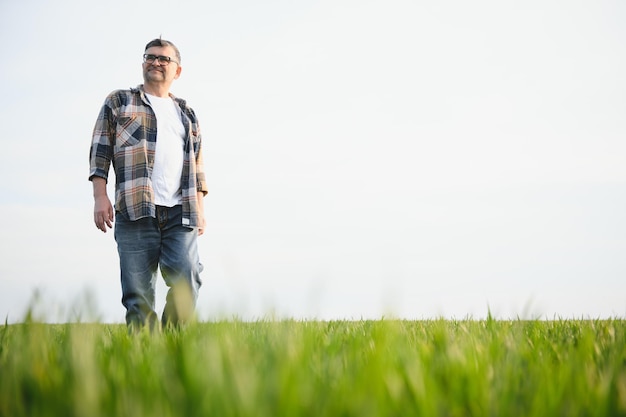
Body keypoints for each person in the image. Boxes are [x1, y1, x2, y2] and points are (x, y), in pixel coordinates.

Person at [89, 38, 207, 330]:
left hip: (181, 211)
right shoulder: (119, 101)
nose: (156, 62)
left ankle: (171, 343)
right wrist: (99, 196)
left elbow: (198, 164)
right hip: (135, 208)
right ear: (143, 63)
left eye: (164, 59)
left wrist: (201, 207)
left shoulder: (187, 114)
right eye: (150, 57)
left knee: (188, 278)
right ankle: (144, 356)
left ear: (177, 70)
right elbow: (100, 150)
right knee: (138, 294)